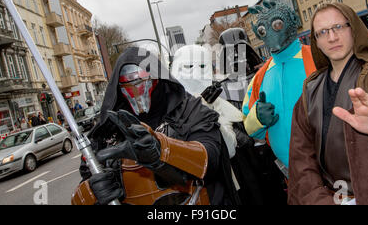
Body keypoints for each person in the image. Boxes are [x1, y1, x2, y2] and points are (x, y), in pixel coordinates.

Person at [73, 47, 240, 205]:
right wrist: (93, 192)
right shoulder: (106, 133)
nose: (136, 91)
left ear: (157, 78)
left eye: (141, 79)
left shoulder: (190, 111)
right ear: (118, 87)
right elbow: (84, 184)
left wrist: (163, 151)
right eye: (127, 83)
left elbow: (210, 158)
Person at [288, 2, 368, 205]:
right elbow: (301, 160)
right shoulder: (309, 92)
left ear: (353, 28)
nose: (332, 37)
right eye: (322, 32)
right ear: (316, 42)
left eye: (339, 27)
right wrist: (320, 200)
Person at [171, 44, 276, 204]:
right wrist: (202, 111)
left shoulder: (220, 101)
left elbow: (236, 144)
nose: (197, 72)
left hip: (241, 181)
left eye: (202, 66)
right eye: (189, 66)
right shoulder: (172, 114)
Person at [243, 0, 316, 173]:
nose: (269, 33)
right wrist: (258, 119)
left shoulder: (318, 59)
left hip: (330, 169)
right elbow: (247, 122)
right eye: (262, 30)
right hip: (292, 176)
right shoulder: (260, 76)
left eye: (276, 25)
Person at [217, 28, 264, 110]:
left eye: (240, 50)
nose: (236, 55)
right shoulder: (221, 89)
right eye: (230, 52)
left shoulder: (264, 75)